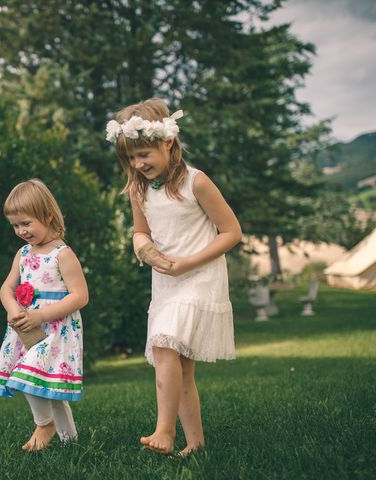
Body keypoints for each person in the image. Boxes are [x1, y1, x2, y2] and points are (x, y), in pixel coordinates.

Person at [106, 98, 242, 456]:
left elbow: (231, 232)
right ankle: (195, 443)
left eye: (145, 153)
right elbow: (141, 232)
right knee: (179, 367)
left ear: (168, 142)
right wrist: (143, 247)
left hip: (199, 277)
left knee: (164, 345)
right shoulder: (138, 189)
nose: (139, 164)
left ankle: (164, 431)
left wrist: (188, 263)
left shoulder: (197, 182)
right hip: (166, 281)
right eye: (132, 158)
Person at [0, 178, 88, 452]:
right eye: (15, 225)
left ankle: (44, 424)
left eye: (26, 223)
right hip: (28, 328)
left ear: (47, 216)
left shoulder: (62, 254)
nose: (21, 231)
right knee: (48, 386)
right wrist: (12, 308)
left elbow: (80, 296)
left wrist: (41, 315)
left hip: (56, 328)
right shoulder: (22, 254)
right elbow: (6, 288)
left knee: (28, 378)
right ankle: (72, 444)